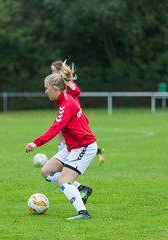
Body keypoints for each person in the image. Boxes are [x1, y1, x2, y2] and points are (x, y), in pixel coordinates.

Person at [25, 64, 97, 220]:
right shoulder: (67, 100)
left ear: (55, 89)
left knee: (65, 179)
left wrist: (35, 143)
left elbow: (55, 129)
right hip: (73, 147)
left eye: (46, 88)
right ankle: (81, 189)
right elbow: (85, 119)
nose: (45, 91)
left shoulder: (66, 105)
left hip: (84, 147)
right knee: (46, 171)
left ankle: (83, 213)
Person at [51, 60, 105, 166]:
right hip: (67, 109)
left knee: (65, 133)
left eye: (53, 71)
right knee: (69, 135)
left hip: (73, 111)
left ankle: (63, 158)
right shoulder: (58, 83)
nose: (52, 73)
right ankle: (97, 151)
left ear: (59, 70)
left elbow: (77, 91)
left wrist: (67, 82)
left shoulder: (66, 80)